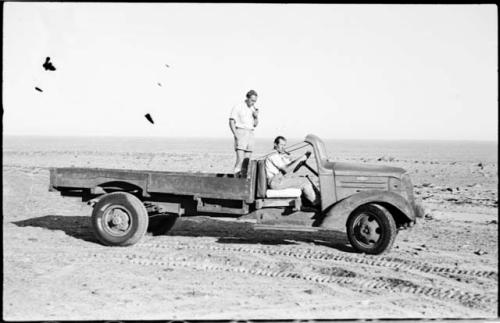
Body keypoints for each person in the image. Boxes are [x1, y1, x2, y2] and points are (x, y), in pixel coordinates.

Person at [265, 136, 320, 207]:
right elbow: (286, 169)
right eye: (281, 145)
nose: (283, 147)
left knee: (305, 178)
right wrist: (300, 159)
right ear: (275, 144)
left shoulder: (278, 155)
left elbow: (289, 166)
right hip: (275, 182)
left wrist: (298, 160)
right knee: (305, 182)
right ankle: (317, 204)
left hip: (279, 180)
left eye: (284, 145)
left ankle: (311, 202)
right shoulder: (273, 155)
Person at [229, 90, 259, 174]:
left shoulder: (253, 109)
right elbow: (231, 121)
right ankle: (235, 180)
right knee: (240, 160)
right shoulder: (238, 106)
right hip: (241, 132)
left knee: (246, 162)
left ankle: (243, 180)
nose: (253, 103)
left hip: (250, 133)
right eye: (252, 100)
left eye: (255, 101)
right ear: (247, 98)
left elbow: (255, 124)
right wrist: (236, 134)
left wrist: (256, 117)